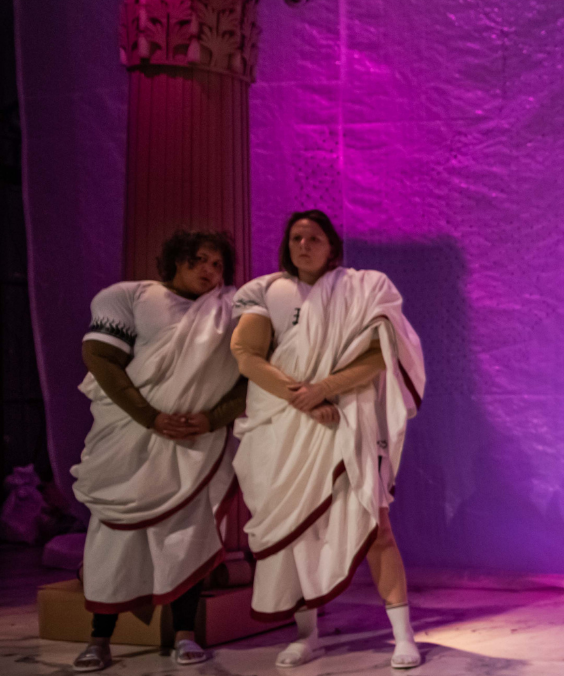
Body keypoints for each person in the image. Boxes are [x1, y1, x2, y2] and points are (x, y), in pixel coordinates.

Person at [230, 210, 427, 669]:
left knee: (377, 526)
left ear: (332, 247)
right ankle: (308, 636)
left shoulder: (366, 288)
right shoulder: (264, 291)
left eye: (314, 238)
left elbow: (382, 353)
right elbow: (246, 354)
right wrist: (301, 398)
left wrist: (325, 389)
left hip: (347, 420)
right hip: (284, 426)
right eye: (295, 238)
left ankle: (404, 636)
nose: (303, 245)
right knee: (296, 534)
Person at [69, 230, 245, 672]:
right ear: (175, 260)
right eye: (199, 260)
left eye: (217, 264)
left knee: (186, 537)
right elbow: (101, 360)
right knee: (114, 540)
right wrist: (150, 417)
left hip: (193, 443)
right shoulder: (128, 296)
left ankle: (185, 635)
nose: (209, 271)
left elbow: (251, 373)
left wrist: (213, 418)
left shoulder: (232, 310)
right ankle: (99, 639)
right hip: (129, 441)